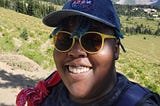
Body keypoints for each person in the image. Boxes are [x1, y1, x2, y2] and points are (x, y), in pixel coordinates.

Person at [16, 0, 160, 106]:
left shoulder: (137, 103)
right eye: (65, 39)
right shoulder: (49, 88)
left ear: (115, 50)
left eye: (93, 40)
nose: (75, 51)